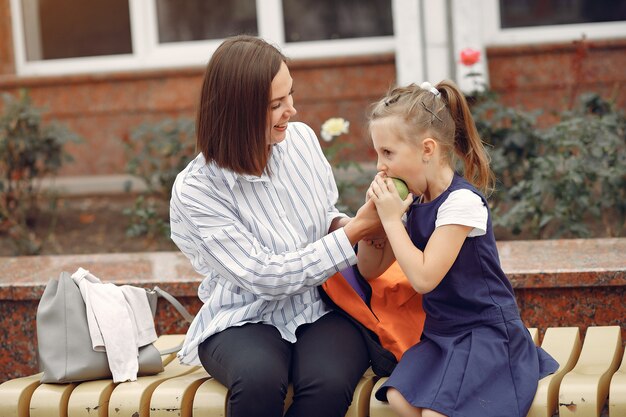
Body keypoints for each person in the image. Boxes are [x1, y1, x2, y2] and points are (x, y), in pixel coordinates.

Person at [169, 35, 383, 417]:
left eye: (290, 96)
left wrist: (358, 225)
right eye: (276, 105)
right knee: (258, 379)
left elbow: (324, 217)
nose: (293, 111)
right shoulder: (197, 189)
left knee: (329, 383)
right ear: (238, 112)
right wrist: (353, 233)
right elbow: (262, 275)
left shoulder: (301, 141)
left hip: (321, 305)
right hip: (242, 316)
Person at [357, 80, 559, 417]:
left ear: (427, 149)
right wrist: (370, 225)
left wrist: (393, 223)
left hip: (485, 336)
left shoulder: (461, 203)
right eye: (378, 153)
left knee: (438, 413)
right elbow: (370, 268)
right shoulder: (415, 200)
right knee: (398, 397)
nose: (381, 166)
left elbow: (424, 278)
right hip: (442, 337)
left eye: (388, 153)